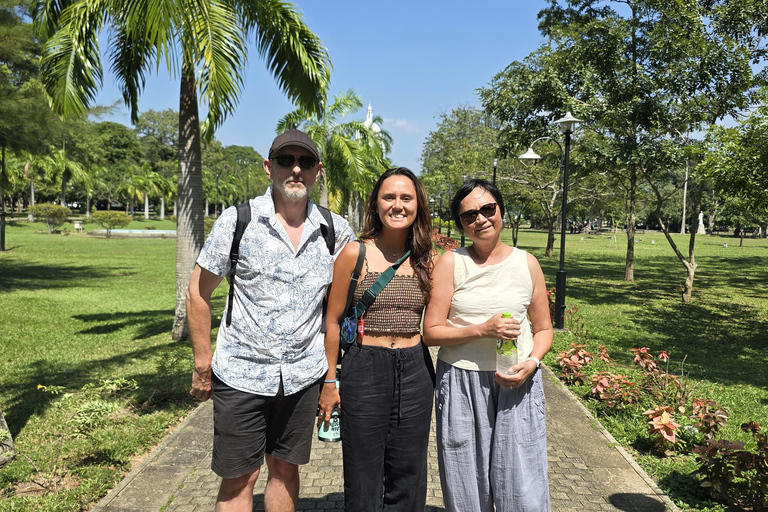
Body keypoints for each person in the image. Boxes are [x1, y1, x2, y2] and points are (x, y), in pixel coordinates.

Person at [186, 129, 354, 512]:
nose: (295, 169)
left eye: (305, 162)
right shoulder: (238, 221)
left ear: (318, 171)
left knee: (284, 469)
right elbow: (198, 292)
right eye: (285, 160)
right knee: (239, 478)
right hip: (242, 372)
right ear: (269, 167)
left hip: (301, 375)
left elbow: (349, 296)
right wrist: (202, 360)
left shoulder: (335, 230)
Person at [423, 178, 553, 511]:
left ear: (501, 211)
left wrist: (534, 361)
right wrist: (482, 329)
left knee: (522, 484)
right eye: (469, 215)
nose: (480, 219)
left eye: (487, 209)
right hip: (463, 382)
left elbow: (543, 329)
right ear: (462, 225)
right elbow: (432, 331)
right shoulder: (452, 263)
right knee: (467, 483)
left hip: (518, 382)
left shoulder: (527, 263)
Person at [320, 167, 437, 511]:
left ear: (418, 205)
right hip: (364, 367)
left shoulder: (428, 259)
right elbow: (331, 320)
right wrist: (329, 380)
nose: (397, 205)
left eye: (406, 198)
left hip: (416, 370)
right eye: (389, 197)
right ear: (376, 204)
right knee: (363, 469)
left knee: (409, 469)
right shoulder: (354, 254)